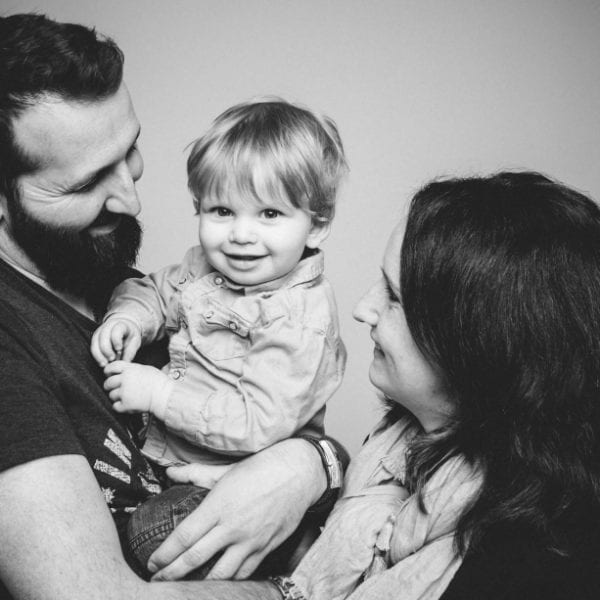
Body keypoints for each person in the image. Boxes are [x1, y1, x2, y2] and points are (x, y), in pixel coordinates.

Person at [0, 13, 345, 600]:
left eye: (129, 152)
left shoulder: (107, 272)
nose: (132, 198)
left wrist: (309, 464)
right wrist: (300, 592)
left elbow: (285, 411)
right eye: (85, 185)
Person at [90, 97, 347, 574]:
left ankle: (301, 559)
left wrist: (159, 394)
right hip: (178, 469)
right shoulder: (204, 269)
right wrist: (128, 319)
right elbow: (152, 289)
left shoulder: (297, 319)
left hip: (241, 480)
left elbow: (259, 423)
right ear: (198, 208)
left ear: (318, 226)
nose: (241, 234)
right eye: (222, 210)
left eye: (270, 214)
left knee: (149, 536)